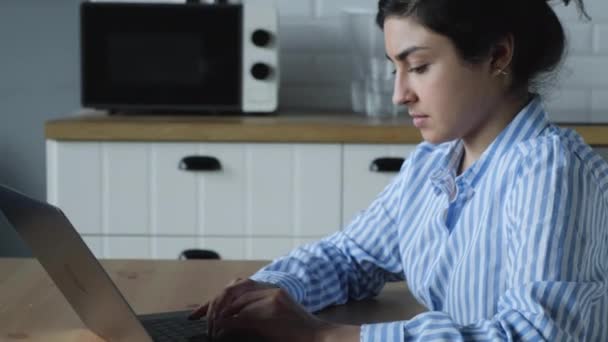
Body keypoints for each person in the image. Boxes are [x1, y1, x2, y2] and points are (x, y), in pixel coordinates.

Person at [189, 0, 608, 340]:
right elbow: (350, 256)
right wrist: (267, 289)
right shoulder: (432, 164)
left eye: (419, 66)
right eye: (396, 68)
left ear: (498, 55)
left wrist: (325, 336)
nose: (399, 94)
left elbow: (533, 334)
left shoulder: (551, 171)